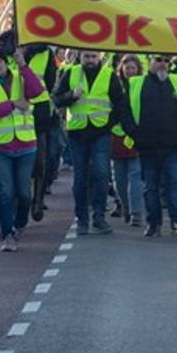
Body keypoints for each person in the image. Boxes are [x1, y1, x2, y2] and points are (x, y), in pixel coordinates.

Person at [52, 49, 127, 236]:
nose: (90, 60)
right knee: (81, 178)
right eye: (87, 57)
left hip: (100, 133)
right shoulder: (71, 72)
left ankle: (99, 216)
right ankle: (82, 219)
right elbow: (56, 98)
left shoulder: (108, 75)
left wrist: (108, 125)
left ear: (99, 57)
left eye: (93, 57)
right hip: (77, 133)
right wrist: (71, 96)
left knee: (101, 174)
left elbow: (120, 103)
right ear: (81, 57)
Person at [0, 46, 44, 252]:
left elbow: (37, 91)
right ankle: (8, 235)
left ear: (7, 63)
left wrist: (24, 66)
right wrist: (13, 104)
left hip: (25, 145)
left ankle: (20, 222)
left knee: (24, 193)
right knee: (6, 192)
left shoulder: (21, 78)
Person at [123, 55, 177, 237]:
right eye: (159, 60)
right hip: (148, 146)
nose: (163, 64)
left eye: (166, 61)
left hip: (174, 145)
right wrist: (135, 134)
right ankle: (154, 223)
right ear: (149, 62)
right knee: (150, 186)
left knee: (174, 184)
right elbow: (125, 111)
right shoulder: (136, 84)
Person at [22, 42, 60, 221]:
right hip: (13, 111)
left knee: (39, 160)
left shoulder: (46, 54)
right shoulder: (7, 50)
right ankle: (22, 199)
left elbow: (52, 85)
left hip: (39, 112)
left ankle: (37, 199)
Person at [110, 54, 145, 227]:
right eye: (127, 68)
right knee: (120, 180)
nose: (130, 71)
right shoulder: (115, 87)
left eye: (132, 68)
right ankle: (125, 205)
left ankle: (136, 212)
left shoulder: (144, 85)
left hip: (136, 136)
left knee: (136, 176)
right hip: (117, 135)